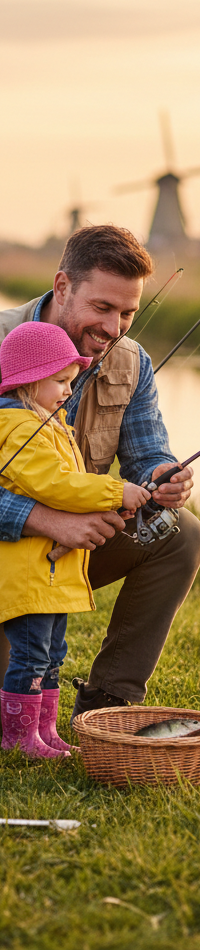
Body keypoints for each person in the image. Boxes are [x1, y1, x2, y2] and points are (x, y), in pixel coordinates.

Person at [0, 224, 199, 722]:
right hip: (9, 547)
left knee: (182, 532)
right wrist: (45, 520)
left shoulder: (134, 361)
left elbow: (146, 454)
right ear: (63, 286)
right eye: (103, 308)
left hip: (74, 548)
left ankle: (108, 703)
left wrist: (163, 477)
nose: (114, 329)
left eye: (128, 313)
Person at [0, 319, 150, 757]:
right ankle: (18, 738)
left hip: (52, 577)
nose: (69, 390)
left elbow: (68, 486)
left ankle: (44, 733)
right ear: (29, 381)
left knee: (51, 656)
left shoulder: (48, 424)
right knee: (30, 656)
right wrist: (113, 489)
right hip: (31, 579)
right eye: (61, 381)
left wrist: (107, 505)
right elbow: (55, 484)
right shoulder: (16, 429)